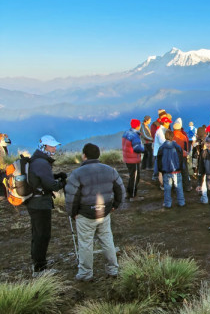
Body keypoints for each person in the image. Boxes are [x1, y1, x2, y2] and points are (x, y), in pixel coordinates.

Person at [64, 143, 125, 281]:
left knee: (85, 244)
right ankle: (113, 269)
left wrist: (72, 213)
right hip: (104, 212)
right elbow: (120, 189)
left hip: (85, 214)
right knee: (107, 240)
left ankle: (86, 274)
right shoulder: (110, 170)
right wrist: (115, 205)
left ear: (84, 155)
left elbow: (72, 196)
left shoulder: (77, 174)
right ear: (98, 155)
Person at [27, 135, 67, 277]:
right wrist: (62, 182)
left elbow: (41, 179)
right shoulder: (42, 163)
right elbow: (51, 185)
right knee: (43, 235)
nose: (55, 148)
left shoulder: (37, 160)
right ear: (44, 147)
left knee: (37, 233)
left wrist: (55, 176)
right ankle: (40, 269)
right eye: (52, 146)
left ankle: (37, 264)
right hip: (40, 204)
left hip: (34, 202)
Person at [157, 130, 185, 208]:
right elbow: (181, 159)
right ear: (173, 137)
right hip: (177, 171)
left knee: (167, 188)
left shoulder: (161, 148)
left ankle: (167, 204)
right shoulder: (177, 147)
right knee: (179, 187)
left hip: (166, 171)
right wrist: (181, 168)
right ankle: (181, 202)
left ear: (165, 137)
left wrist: (159, 171)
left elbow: (159, 161)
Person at [122, 119, 145, 201]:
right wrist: (145, 149)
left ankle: (129, 193)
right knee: (135, 177)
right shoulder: (135, 135)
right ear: (138, 126)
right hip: (133, 159)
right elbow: (137, 148)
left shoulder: (126, 133)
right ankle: (133, 196)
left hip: (127, 158)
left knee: (132, 176)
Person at [173, 119, 192, 192]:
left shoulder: (171, 136)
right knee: (185, 172)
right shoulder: (183, 136)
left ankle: (175, 187)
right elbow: (186, 147)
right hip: (182, 156)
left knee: (175, 172)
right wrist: (186, 153)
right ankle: (187, 187)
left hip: (174, 156)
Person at [153, 115, 171, 185]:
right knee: (161, 169)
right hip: (160, 152)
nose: (169, 124)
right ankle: (162, 183)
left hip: (161, 152)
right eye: (168, 122)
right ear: (165, 123)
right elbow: (163, 141)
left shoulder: (163, 130)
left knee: (160, 167)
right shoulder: (160, 131)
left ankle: (159, 180)